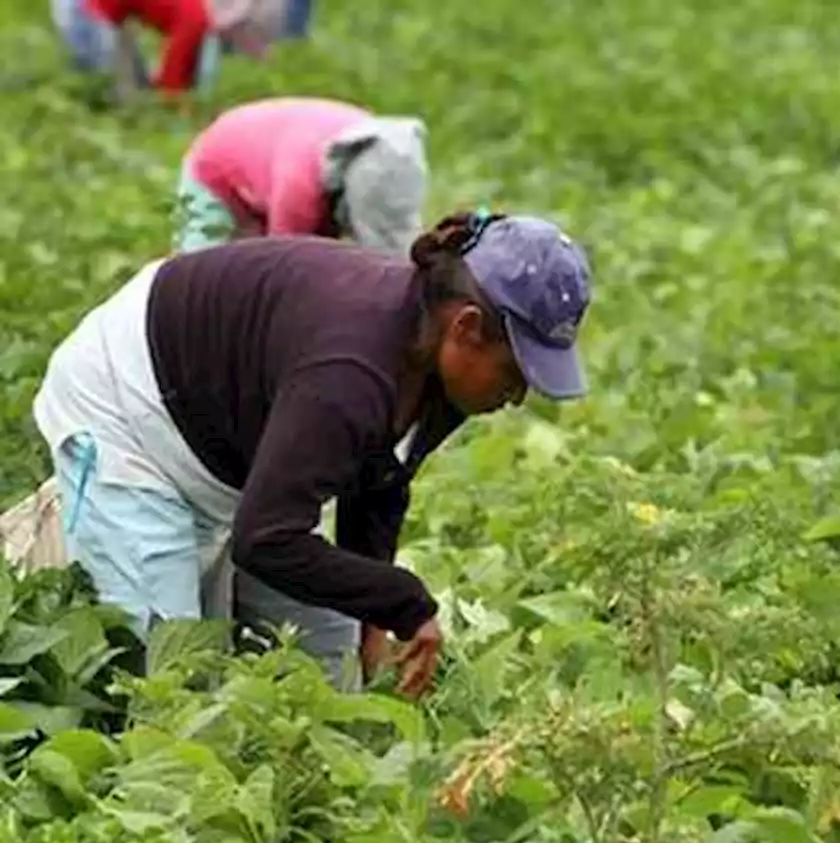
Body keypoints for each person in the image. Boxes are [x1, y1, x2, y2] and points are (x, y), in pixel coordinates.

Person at [32, 211, 593, 697]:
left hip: (235, 439)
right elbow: (266, 539)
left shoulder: (437, 364)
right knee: (167, 682)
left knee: (330, 662)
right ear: (467, 328)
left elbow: (382, 484)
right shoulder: (348, 373)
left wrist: (374, 618)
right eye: (516, 373)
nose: (518, 396)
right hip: (129, 408)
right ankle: (55, 544)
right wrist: (403, 600)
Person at [175, 97, 428, 255]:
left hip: (280, 166)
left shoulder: (388, 155)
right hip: (218, 172)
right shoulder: (299, 190)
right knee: (205, 268)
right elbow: (283, 267)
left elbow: (394, 245)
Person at [50, 0, 284, 106]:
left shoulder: (201, 15)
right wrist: (182, 108)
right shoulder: (197, 20)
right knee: (112, 92)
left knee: (132, 87)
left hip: (111, 15)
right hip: (88, 9)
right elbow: (173, 76)